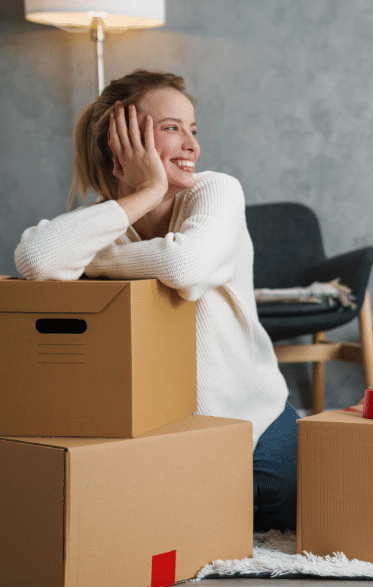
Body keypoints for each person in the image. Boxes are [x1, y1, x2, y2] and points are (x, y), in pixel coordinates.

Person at [14, 70, 297, 533]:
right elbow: (37, 259)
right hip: (169, 429)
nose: (192, 144)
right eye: (172, 128)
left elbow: (188, 268)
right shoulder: (104, 221)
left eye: (193, 130)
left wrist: (99, 262)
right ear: (120, 143)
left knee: (273, 499)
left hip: (253, 415)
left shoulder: (217, 190)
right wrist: (147, 192)